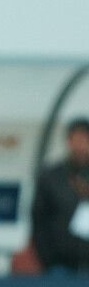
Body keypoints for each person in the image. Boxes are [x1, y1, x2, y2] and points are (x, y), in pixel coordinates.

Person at [30, 116, 89, 274]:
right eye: (75, 140)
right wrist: (47, 258)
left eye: (84, 140)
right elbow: (39, 219)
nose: (79, 146)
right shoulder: (52, 177)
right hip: (59, 265)